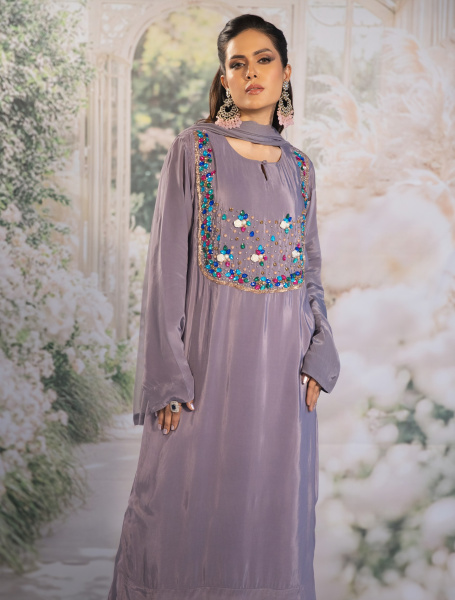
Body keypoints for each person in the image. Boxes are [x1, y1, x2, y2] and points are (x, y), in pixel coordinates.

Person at [107, 13, 340, 600]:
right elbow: (165, 268)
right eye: (238, 63)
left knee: (272, 525)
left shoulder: (301, 169)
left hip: (282, 384)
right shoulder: (194, 151)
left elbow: (309, 268)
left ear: (286, 73)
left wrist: (322, 347)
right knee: (179, 513)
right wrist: (167, 374)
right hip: (203, 374)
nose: (251, 72)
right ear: (224, 78)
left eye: (264, 60)